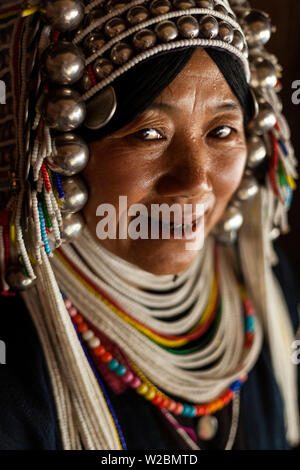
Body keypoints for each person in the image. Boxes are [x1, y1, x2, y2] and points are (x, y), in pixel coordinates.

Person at [0, 0, 299, 450]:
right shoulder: (15, 355)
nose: (195, 180)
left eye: (221, 131)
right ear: (60, 153)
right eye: (149, 133)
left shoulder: (263, 286)